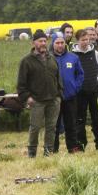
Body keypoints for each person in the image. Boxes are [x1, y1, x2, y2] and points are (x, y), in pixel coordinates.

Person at [17, 29, 63, 157]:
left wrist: (59, 95)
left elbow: (58, 78)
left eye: (44, 41)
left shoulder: (52, 58)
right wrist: (27, 98)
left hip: (53, 100)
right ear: (33, 43)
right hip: (36, 101)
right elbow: (21, 84)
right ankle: (32, 153)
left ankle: (48, 152)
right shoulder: (26, 61)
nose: (43, 43)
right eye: (40, 41)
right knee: (35, 128)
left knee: (51, 127)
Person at [50, 33, 84, 153]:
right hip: (55, 98)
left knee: (71, 124)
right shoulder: (48, 59)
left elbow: (80, 74)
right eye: (57, 43)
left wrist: (75, 88)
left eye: (62, 43)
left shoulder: (73, 58)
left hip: (70, 97)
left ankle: (72, 147)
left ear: (65, 43)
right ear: (53, 44)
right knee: (54, 125)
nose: (60, 45)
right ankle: (53, 149)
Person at [75, 29, 98, 150]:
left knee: (97, 118)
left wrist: (96, 83)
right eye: (83, 40)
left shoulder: (95, 53)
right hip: (79, 94)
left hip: (94, 92)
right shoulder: (73, 55)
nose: (85, 42)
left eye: (87, 39)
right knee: (80, 119)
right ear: (77, 40)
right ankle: (81, 144)